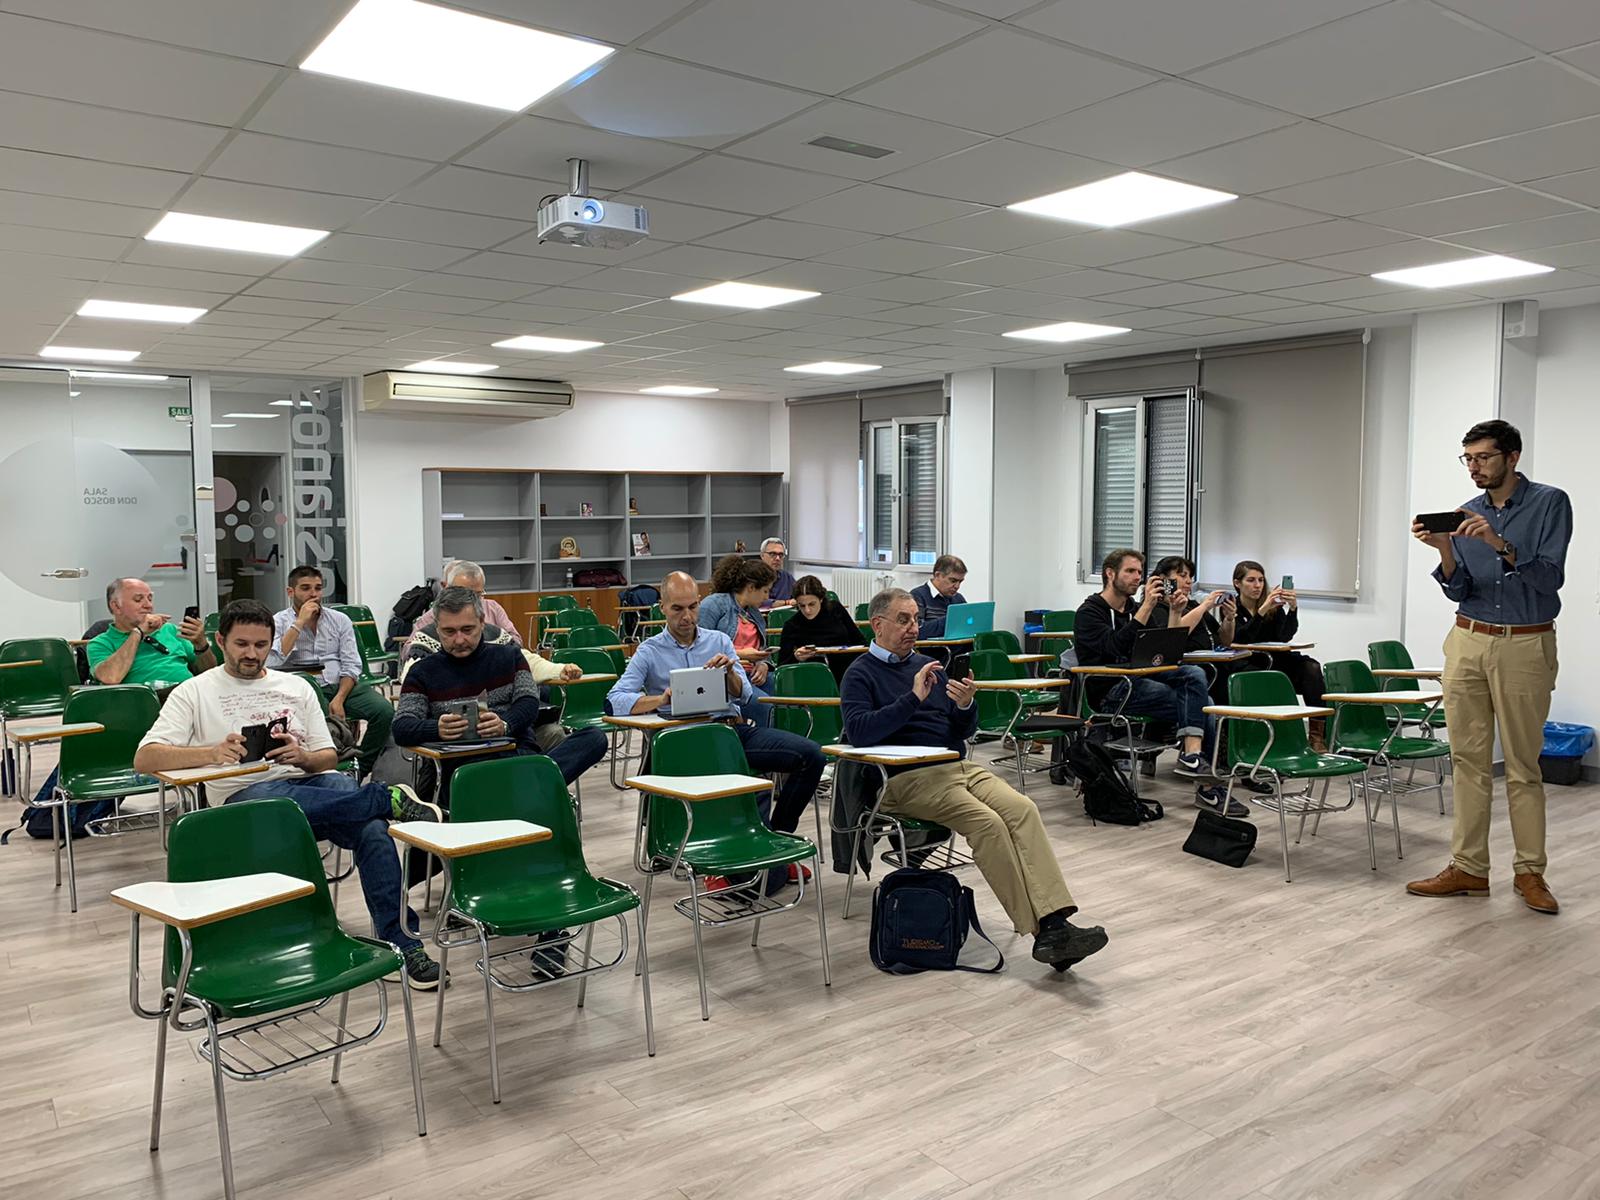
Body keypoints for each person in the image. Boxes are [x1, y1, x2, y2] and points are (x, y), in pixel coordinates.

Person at [132, 600, 446, 989]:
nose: (252, 654)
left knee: (372, 829)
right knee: (346, 811)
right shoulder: (194, 691)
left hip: (313, 786)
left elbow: (327, 758)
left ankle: (402, 944)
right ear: (220, 641)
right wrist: (211, 753)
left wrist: (303, 757)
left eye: (261, 645)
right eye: (241, 644)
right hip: (245, 798)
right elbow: (145, 758)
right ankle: (383, 798)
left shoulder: (296, 686)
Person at [840, 587, 1108, 971]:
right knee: (988, 824)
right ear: (877, 624)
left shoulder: (930, 665)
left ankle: (1055, 922)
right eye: (903, 620)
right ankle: (1043, 931)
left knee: (1023, 809)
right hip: (904, 779)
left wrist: (965, 705)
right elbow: (860, 733)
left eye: (916, 619)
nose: (913, 627)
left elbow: (960, 730)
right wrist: (912, 699)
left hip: (955, 767)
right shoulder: (860, 673)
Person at [1406, 419, 1571, 915]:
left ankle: (1530, 873)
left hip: (1525, 643)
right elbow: (1459, 588)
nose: (1474, 467)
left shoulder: (1550, 503)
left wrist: (1499, 544)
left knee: (1522, 766)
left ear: (1512, 457)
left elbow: (1550, 578)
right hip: (1467, 640)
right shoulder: (1466, 513)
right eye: (1469, 459)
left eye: (1483, 458)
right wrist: (1445, 549)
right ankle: (1469, 868)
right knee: (1467, 762)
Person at [607, 571, 825, 883]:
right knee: (746, 781)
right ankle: (740, 859)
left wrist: (730, 675)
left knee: (812, 755)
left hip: (729, 730)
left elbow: (745, 695)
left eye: (693, 607)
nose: (687, 617)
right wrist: (660, 699)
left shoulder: (718, 641)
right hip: (685, 742)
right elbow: (614, 700)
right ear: (662, 608)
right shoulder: (650, 651)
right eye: (677, 609)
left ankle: (777, 839)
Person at [392, 587, 607, 798]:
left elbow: (528, 702)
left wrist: (505, 724)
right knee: (497, 778)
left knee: (594, 738)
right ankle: (532, 789)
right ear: (437, 628)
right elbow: (401, 727)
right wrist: (436, 729)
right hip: (462, 769)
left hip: (516, 755)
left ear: (482, 623)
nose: (459, 640)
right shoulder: (422, 672)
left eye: (467, 630)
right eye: (449, 632)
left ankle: (520, 792)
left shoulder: (510, 657)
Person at [1074, 549, 1237, 815]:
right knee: (1203, 705)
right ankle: (1207, 788)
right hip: (1111, 689)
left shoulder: (1135, 610)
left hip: (1142, 678)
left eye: (1139, 572)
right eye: (1130, 571)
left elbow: (1164, 651)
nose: (1137, 577)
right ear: (1110, 574)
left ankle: (1192, 756)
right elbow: (1114, 648)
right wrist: (1148, 607)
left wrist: (1175, 612)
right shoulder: (1090, 612)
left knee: (1196, 681)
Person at [267, 565, 393, 779]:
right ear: (290, 592)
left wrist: (340, 698)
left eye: (317, 588)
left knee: (385, 712)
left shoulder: (339, 620)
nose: (313, 594)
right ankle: (329, 768)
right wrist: (299, 623)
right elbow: (273, 661)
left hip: (341, 685)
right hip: (303, 688)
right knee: (324, 724)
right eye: (305, 588)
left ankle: (361, 767)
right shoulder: (278, 621)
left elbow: (352, 664)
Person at [1232, 560, 1328, 748]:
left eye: (1261, 580)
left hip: (1278, 658)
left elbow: (1285, 636)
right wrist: (1262, 610)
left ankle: (1317, 736)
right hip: (1250, 660)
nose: (1257, 585)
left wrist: (1292, 609)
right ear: (1237, 583)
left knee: (1311, 668)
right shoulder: (1232, 607)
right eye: (1251, 580)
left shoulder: (1273, 608)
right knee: (1262, 675)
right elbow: (1241, 638)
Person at [86, 577, 217, 687]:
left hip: (187, 694)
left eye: (150, 599)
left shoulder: (170, 630)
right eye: (138, 599)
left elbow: (210, 673)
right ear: (116, 606)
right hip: (145, 702)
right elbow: (111, 677)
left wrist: (201, 644)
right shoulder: (100, 643)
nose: (149, 605)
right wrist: (138, 633)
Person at [699, 554, 777, 723]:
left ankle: (777, 735)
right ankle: (762, 738)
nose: (767, 597)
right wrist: (741, 654)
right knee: (766, 706)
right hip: (727, 678)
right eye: (765, 591)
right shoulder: (714, 604)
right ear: (751, 587)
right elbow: (700, 646)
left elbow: (763, 650)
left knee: (783, 698)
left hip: (753, 674)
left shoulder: (755, 614)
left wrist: (763, 664)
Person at [1149, 556, 1237, 699]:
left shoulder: (1193, 605)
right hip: (1192, 666)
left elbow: (1225, 640)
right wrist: (1205, 606)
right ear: (1164, 579)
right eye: (1182, 575)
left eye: (1190, 576)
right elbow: (1174, 636)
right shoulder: (1157, 608)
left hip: (1216, 662)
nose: (1189, 581)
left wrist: (1229, 618)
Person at [406, 560, 522, 648]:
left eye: (477, 594)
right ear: (447, 588)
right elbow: (409, 650)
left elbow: (516, 641)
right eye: (464, 594)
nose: (471, 600)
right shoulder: (433, 616)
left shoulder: (492, 608)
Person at [777, 575, 867, 685]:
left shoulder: (836, 610)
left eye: (812, 604)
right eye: (802, 606)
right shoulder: (792, 625)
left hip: (848, 669)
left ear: (821, 599)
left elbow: (860, 642)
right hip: (814, 677)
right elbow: (782, 665)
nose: (807, 610)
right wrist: (796, 657)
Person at [910, 555, 967, 639]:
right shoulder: (917, 596)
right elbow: (916, 630)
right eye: (953, 581)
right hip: (931, 647)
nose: (957, 586)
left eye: (960, 581)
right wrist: (951, 620)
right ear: (937, 575)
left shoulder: (958, 599)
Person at [760, 538, 796, 604]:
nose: (777, 558)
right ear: (762, 555)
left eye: (781, 555)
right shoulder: (752, 576)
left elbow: (800, 596)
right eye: (772, 554)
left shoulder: (787, 577)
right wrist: (784, 602)